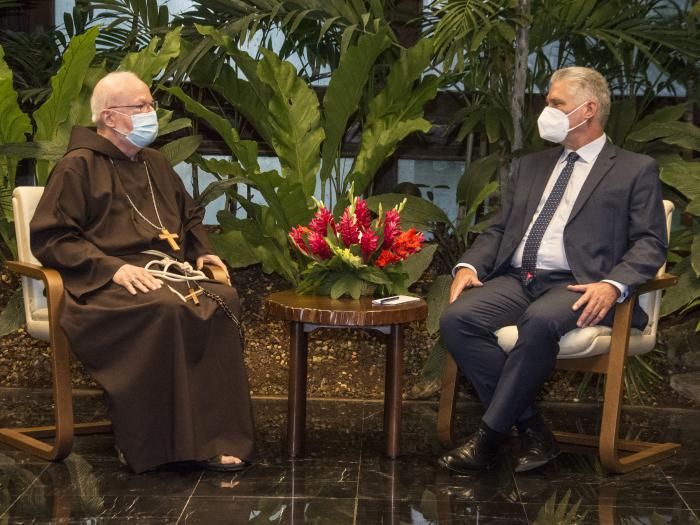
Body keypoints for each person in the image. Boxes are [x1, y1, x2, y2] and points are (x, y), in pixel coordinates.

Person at [438, 67, 667, 473]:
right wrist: (468, 265)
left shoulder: (634, 168)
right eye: (548, 102)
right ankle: (532, 430)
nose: (547, 110)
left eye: (556, 103)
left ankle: (488, 440)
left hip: (582, 283)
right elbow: (499, 229)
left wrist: (614, 285)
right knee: (458, 318)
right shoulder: (531, 166)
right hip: (519, 278)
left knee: (539, 321)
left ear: (589, 109)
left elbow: (650, 242)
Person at [30, 71, 255, 474]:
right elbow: (52, 239)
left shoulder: (154, 163)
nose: (152, 113)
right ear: (111, 118)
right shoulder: (76, 167)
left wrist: (203, 253)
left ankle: (216, 438)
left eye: (151, 104)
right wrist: (112, 269)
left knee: (223, 300)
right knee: (165, 308)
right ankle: (148, 443)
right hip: (100, 285)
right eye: (142, 107)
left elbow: (188, 219)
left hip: (163, 273)